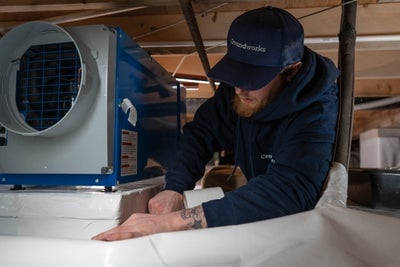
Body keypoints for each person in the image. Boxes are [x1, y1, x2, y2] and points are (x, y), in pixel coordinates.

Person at [92, 6, 339, 241]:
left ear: (292, 71)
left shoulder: (316, 109)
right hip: (259, 206)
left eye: (254, 79)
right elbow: (201, 133)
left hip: (297, 224)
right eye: (236, 75)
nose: (239, 88)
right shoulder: (239, 90)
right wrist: (175, 187)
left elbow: (289, 190)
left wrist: (171, 222)